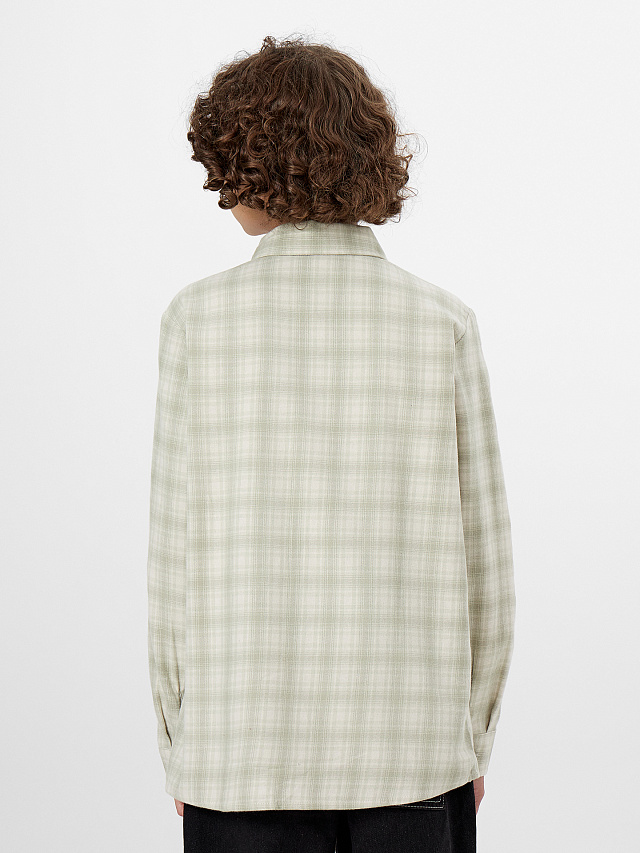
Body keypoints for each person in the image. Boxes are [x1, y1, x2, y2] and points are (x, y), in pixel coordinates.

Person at [147, 34, 516, 853]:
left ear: (249, 167)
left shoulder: (196, 321)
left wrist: (182, 739)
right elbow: (484, 562)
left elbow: (174, 562)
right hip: (414, 752)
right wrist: (471, 737)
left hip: (239, 754)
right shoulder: (442, 322)